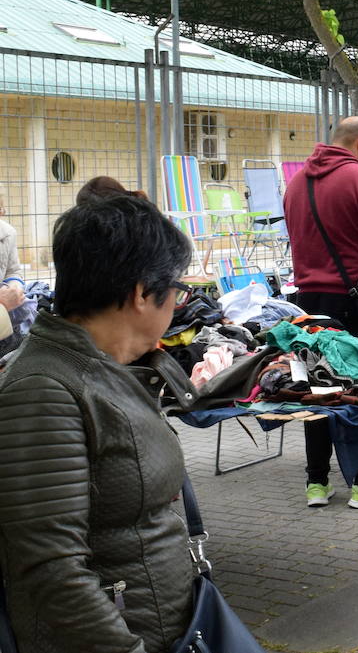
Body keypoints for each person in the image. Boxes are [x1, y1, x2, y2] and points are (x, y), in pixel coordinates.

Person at [0, 194, 198, 652]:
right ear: (141, 293)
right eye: (178, 291)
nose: (179, 305)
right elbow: (52, 566)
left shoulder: (103, 368)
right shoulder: (44, 390)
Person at [282, 116, 358, 508]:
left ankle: (316, 482)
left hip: (309, 302)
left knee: (318, 388)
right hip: (356, 303)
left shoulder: (296, 184)